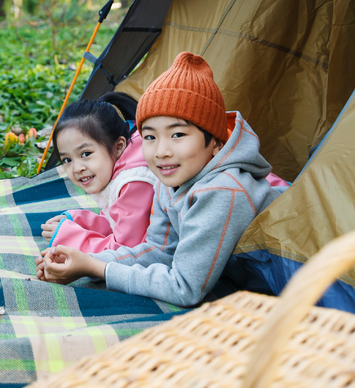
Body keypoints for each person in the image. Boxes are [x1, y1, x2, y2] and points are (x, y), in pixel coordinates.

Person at [36, 52, 285, 307]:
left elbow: (184, 288)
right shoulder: (170, 179)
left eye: (177, 135)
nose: (161, 152)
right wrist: (86, 262)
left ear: (216, 142)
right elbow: (158, 251)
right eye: (150, 137)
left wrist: (97, 268)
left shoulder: (222, 191)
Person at [41, 92, 159, 253]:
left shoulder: (134, 182)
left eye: (85, 154)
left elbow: (125, 251)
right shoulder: (119, 169)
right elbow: (116, 222)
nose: (77, 168)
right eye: (67, 160)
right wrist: (78, 221)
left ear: (118, 146)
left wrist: (69, 238)